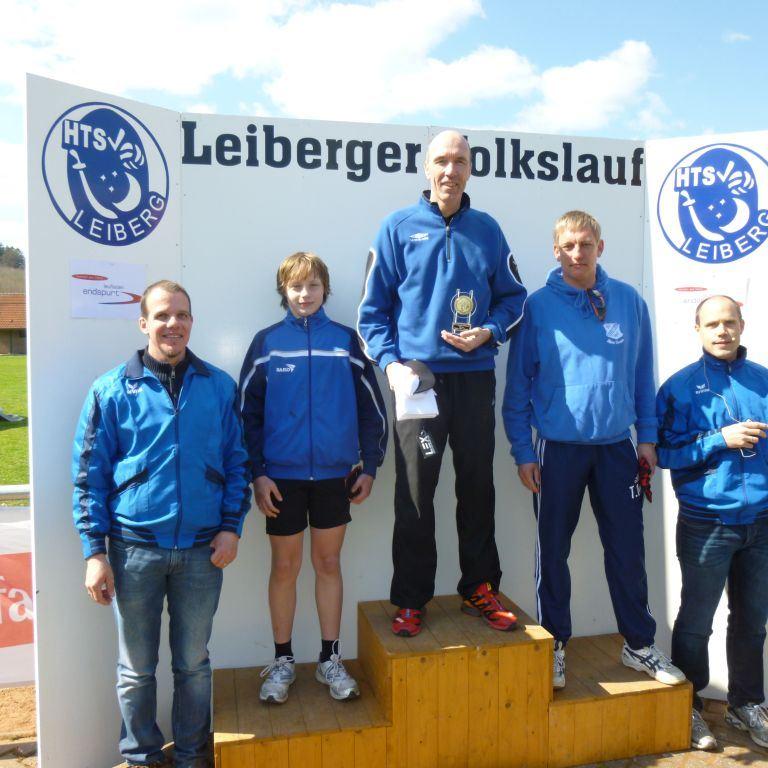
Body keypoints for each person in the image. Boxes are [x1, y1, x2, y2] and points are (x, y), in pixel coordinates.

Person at [72, 280, 251, 768]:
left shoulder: (219, 387)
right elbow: (89, 476)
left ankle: (192, 757)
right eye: (163, 315)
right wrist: (94, 552)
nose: (174, 324)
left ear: (192, 321)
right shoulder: (110, 390)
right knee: (136, 670)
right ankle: (142, 758)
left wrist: (231, 526)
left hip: (202, 551)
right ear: (144, 323)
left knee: (193, 665)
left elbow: (238, 462)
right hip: (134, 550)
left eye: (182, 315)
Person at [503, 210, 684, 690]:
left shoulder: (628, 301)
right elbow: (517, 386)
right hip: (557, 450)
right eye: (568, 245)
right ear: (555, 250)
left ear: (600, 247)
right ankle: (555, 645)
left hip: (617, 449)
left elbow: (642, 375)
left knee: (627, 551)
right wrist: (523, 451)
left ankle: (638, 644)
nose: (577, 253)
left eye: (585, 244)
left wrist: (647, 438)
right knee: (553, 552)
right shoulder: (538, 307)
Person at [357, 129, 526, 637]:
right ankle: (411, 599)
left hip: (473, 381)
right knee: (415, 492)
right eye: (442, 161)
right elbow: (371, 314)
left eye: (460, 161)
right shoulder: (396, 227)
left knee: (477, 486)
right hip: (419, 385)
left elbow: (514, 300)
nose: (450, 170)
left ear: (470, 168)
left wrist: (489, 332)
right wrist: (391, 364)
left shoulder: (488, 230)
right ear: (426, 167)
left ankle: (479, 587)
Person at [239, 252, 387, 703]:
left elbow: (372, 409)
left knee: (328, 564)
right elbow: (246, 416)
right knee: (284, 568)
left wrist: (371, 465)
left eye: (313, 286)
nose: (304, 294)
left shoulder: (345, 341)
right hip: (280, 480)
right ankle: (283, 662)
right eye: (296, 287)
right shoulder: (267, 343)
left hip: (333, 477)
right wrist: (257, 474)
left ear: (326, 289)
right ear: (283, 291)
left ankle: (329, 660)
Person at [657, 295, 768, 751]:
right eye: (712, 324)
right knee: (696, 622)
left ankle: (747, 703)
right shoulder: (680, 387)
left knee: (752, 622)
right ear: (697, 329)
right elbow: (664, 453)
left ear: (742, 324)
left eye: (729, 322)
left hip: (761, 523)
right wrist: (719, 439)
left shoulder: (763, 381)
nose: (722, 331)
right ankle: (689, 708)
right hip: (707, 523)